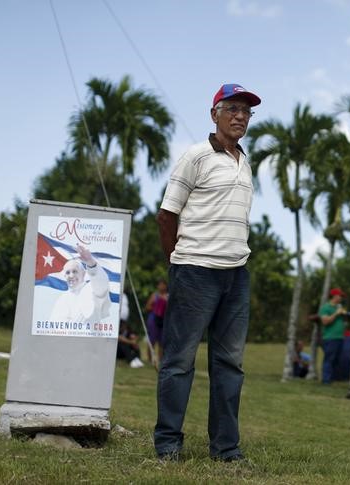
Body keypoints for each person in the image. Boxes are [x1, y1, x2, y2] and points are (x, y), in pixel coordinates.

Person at [154, 83, 260, 462]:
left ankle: (226, 449)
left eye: (246, 111)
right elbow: (167, 215)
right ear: (214, 113)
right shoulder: (195, 156)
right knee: (180, 362)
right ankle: (168, 444)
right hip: (195, 271)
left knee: (230, 364)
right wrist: (176, 264)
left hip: (237, 275)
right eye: (232, 108)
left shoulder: (244, 161)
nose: (240, 116)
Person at [50, 244, 111, 324]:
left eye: (75, 271)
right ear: (65, 276)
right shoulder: (62, 298)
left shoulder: (91, 289)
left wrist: (91, 263)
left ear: (83, 273)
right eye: (68, 273)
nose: (71, 276)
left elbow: (102, 285)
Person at [319, 288, 348, 384]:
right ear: (335, 296)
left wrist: (345, 315)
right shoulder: (326, 307)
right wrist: (336, 313)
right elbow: (325, 321)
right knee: (329, 358)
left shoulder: (339, 307)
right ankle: (326, 380)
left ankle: (333, 378)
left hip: (340, 337)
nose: (341, 298)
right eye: (340, 296)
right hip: (330, 337)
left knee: (336, 359)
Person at [145, 279, 168, 368]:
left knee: (162, 341)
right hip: (154, 320)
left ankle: (160, 360)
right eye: (160, 285)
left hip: (164, 321)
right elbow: (147, 307)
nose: (161, 287)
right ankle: (150, 360)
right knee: (152, 339)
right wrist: (157, 308)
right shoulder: (155, 295)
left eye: (163, 285)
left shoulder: (168, 296)